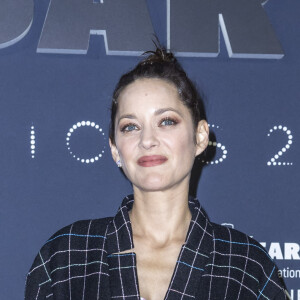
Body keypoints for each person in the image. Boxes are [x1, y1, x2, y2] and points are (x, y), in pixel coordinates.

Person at [25, 47, 288, 300]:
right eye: (130, 127)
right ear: (115, 149)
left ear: (200, 137)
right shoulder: (65, 256)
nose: (147, 140)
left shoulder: (246, 265)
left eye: (166, 121)